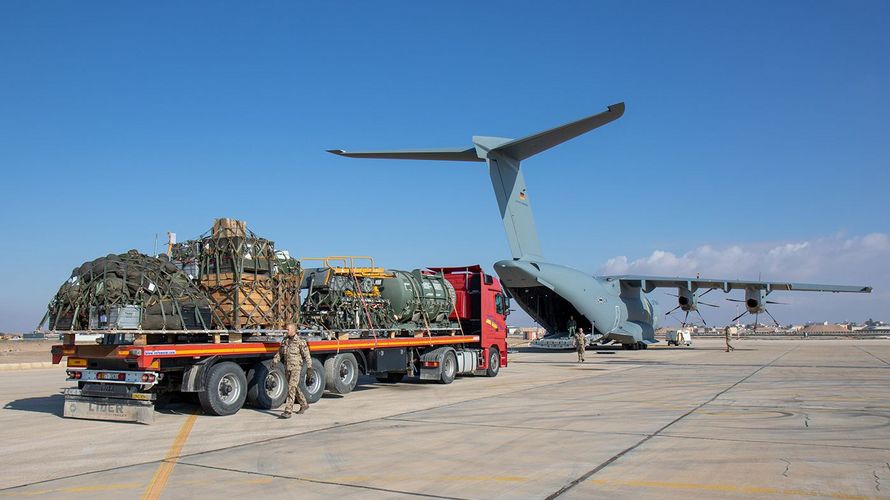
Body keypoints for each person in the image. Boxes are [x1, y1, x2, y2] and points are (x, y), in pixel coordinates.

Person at [272, 323, 312, 418]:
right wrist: (275, 361)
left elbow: (307, 355)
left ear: (294, 330)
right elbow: (280, 353)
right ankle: (304, 404)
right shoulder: (285, 341)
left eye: (288, 330)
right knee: (294, 387)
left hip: (296, 368)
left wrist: (310, 368)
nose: (287, 331)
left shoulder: (300, 342)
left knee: (291, 388)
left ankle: (288, 411)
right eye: (286, 329)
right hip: (287, 368)